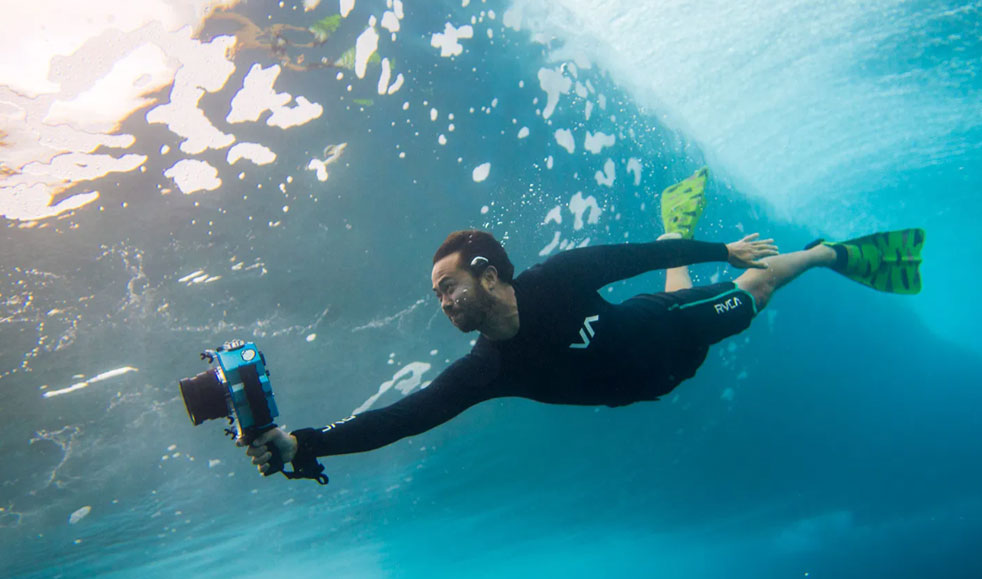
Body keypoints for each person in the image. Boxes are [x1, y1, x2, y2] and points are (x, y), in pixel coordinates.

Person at [241, 169, 924, 481]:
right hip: (652, 382)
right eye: (436, 294)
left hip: (675, 330)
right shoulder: (487, 369)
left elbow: (638, 259)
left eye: (449, 285)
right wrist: (301, 443)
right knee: (683, 284)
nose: (443, 301)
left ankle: (831, 252)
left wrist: (726, 251)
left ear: (488, 274)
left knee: (759, 288)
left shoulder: (556, 279)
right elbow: (403, 417)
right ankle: (685, 222)